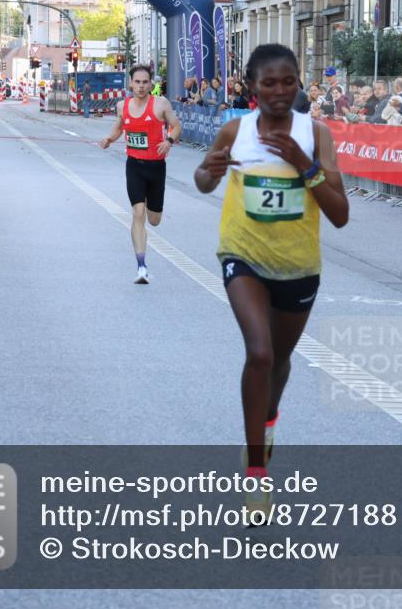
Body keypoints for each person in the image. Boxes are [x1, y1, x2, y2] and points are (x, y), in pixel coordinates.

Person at [193, 43, 349, 519]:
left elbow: (340, 214)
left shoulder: (315, 134)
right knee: (259, 353)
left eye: (288, 82)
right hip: (242, 254)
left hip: (298, 264)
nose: (280, 91)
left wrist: (306, 166)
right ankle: (256, 470)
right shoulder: (235, 130)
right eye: (269, 83)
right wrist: (208, 169)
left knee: (279, 361)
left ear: (299, 83)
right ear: (252, 87)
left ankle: (270, 418)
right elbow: (203, 180)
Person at [99, 64, 183, 284]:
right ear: (130, 83)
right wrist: (109, 139)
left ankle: (150, 209)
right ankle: (141, 267)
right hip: (134, 166)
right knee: (138, 213)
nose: (141, 86)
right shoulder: (122, 106)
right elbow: (120, 126)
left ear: (151, 84)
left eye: (145, 82)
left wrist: (169, 141)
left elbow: (176, 126)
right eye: (137, 82)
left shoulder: (160, 104)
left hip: (156, 168)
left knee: (154, 220)